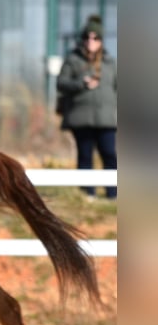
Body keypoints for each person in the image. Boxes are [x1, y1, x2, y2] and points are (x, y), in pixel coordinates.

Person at [56, 14, 117, 200]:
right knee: (85, 156)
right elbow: (61, 83)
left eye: (95, 37)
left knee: (109, 154)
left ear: (101, 40)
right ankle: (87, 195)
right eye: (87, 37)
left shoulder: (110, 62)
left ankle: (113, 193)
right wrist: (81, 83)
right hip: (80, 117)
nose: (91, 41)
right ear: (82, 39)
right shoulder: (73, 60)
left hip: (106, 118)